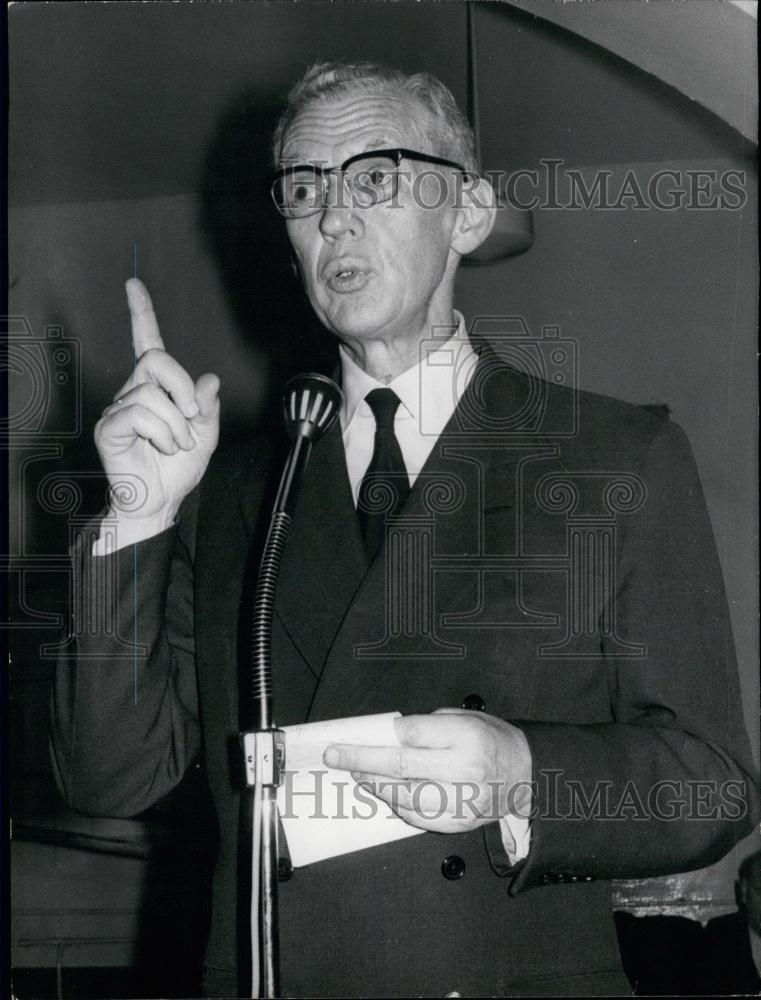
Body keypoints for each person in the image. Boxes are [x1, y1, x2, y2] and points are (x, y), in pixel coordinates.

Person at [51, 62, 758, 998]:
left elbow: (709, 782)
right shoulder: (229, 491)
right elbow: (109, 780)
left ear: (467, 214)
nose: (332, 216)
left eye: (374, 176)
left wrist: (520, 773)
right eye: (304, 189)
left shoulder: (615, 456)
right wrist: (140, 516)